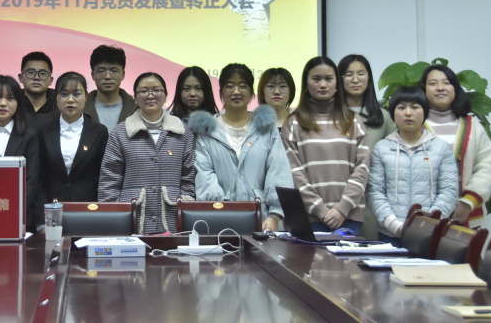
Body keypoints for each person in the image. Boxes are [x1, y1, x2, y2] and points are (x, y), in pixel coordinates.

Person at [190, 63, 293, 231]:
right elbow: (204, 175)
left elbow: (279, 171)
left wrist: (275, 215)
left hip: (263, 219)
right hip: (219, 219)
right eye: (230, 86)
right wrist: (220, 211)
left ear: (252, 93)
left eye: (242, 86)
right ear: (221, 92)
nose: (236, 91)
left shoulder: (267, 129)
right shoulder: (207, 131)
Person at [98, 72, 195, 234]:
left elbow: (188, 178)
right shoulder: (120, 133)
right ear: (135, 98)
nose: (150, 95)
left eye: (156, 90)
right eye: (143, 91)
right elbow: (109, 180)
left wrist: (184, 206)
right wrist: (112, 216)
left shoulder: (183, 133)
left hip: (172, 218)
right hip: (131, 219)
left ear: (166, 95)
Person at [282, 56, 369, 234]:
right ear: (306, 84)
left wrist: (342, 208)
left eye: (329, 79)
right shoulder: (293, 123)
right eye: (316, 79)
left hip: (349, 216)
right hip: (308, 217)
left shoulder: (354, 120)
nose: (323, 84)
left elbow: (362, 168)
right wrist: (321, 210)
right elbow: (294, 173)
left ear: (337, 84)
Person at [367, 86, 459, 245]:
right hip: (390, 233)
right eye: (401, 107)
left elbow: (449, 191)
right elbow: (374, 191)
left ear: (425, 112)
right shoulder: (381, 148)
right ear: (393, 113)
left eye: (415, 107)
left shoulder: (441, 148)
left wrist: (428, 224)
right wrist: (394, 225)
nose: (408, 113)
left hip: (430, 234)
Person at [419, 64, 491, 227]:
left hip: (467, 216)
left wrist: (468, 202)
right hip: (424, 217)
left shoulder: (473, 125)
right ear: (423, 90)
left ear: (455, 89)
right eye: (432, 83)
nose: (440, 88)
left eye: (446, 83)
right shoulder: (414, 127)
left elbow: (486, 166)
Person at [337, 54, 396, 239]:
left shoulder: (384, 117)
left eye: (361, 74)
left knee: (371, 250)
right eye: (348, 74)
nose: (355, 80)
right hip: (337, 197)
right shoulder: (329, 116)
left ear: (369, 77)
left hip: (372, 198)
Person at [0, 75, 39, 230]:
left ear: (18, 103)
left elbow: (30, 180)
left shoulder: (29, 136)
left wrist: (13, 211)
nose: (3, 103)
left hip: (19, 215)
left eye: (10, 98)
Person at [37, 72, 108, 205]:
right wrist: (42, 212)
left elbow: (104, 175)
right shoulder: (44, 131)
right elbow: (39, 177)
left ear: (86, 97)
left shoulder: (99, 132)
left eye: (77, 94)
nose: (70, 100)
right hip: (52, 205)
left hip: (89, 206)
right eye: (64, 94)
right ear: (56, 97)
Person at [84, 45, 137, 132]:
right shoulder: (81, 108)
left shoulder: (136, 108)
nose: (108, 77)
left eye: (114, 70)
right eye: (101, 71)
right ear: (93, 75)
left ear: (123, 74)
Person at [18, 51, 57, 121]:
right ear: (20, 77)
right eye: (31, 72)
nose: (36, 77)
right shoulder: (11, 107)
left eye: (42, 73)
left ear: (51, 80)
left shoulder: (60, 108)